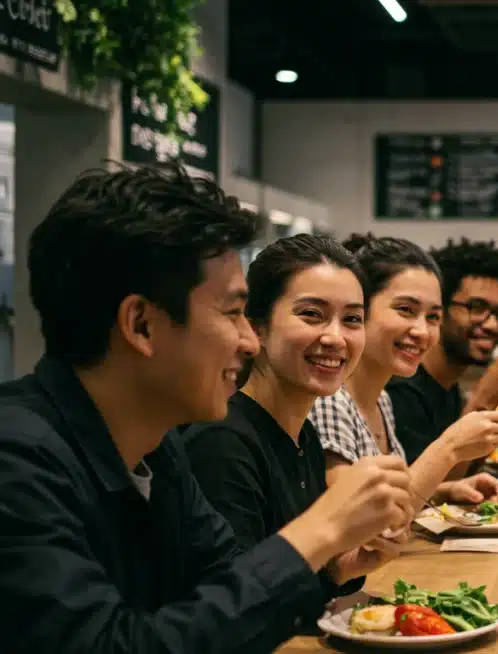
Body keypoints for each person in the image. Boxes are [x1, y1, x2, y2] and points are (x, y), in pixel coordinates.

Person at [0, 163, 413, 652]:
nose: (246, 340)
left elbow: (222, 601)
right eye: (234, 313)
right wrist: (320, 529)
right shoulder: (17, 462)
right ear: (142, 324)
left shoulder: (159, 450)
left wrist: (332, 564)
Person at [180, 234, 407, 608]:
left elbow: (282, 590)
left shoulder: (305, 436)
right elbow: (234, 613)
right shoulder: (222, 443)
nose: (335, 337)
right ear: (256, 329)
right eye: (312, 315)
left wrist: (339, 569)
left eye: (352, 319)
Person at [313, 233, 498, 507]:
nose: (422, 331)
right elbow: (359, 527)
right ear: (358, 310)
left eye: (432, 317)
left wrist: (444, 490)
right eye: (405, 309)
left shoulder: (380, 400)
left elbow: (393, 495)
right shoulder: (329, 401)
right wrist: (449, 448)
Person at [387, 238, 498, 470]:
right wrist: (483, 401)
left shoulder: (448, 388)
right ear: (439, 309)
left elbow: (466, 471)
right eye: (476, 308)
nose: (492, 325)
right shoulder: (400, 389)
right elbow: (426, 492)